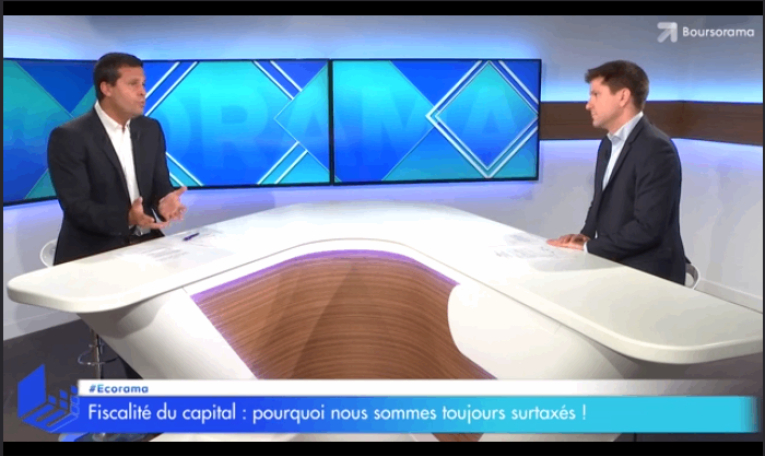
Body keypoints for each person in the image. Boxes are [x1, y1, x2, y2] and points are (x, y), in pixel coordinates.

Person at [47, 52, 187, 378]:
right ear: (106, 87)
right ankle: (141, 396)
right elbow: (77, 207)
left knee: (177, 317)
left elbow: (159, 185)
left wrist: (165, 201)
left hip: (144, 245)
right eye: (134, 84)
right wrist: (128, 218)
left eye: (144, 84)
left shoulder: (150, 129)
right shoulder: (70, 136)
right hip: (95, 250)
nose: (143, 92)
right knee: (141, 337)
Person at [547, 60, 686, 285]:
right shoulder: (607, 144)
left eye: (596, 94)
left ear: (622, 97)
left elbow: (648, 228)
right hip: (613, 264)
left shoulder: (656, 148)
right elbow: (601, 201)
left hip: (648, 275)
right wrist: (585, 235)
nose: (588, 105)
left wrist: (590, 247)